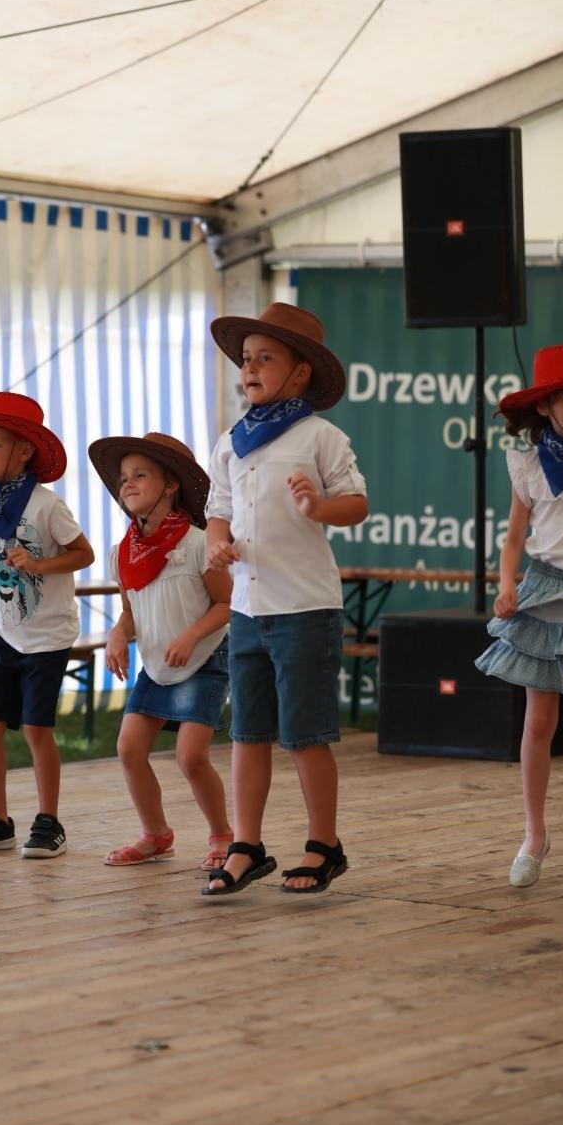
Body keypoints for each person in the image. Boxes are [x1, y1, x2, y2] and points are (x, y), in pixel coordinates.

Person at [202, 302, 368, 896]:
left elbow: (356, 503)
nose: (250, 368)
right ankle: (247, 844)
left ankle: (324, 844)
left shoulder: (322, 436)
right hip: (247, 609)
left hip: (304, 608)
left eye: (265, 358)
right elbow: (216, 511)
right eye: (246, 359)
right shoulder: (230, 441)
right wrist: (218, 545)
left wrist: (319, 508)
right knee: (247, 733)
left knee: (305, 734)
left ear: (301, 373)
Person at [0, 392, 94, 858]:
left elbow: (82, 554)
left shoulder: (47, 506)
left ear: (24, 450)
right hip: (2, 629)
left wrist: (39, 564)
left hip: (47, 636)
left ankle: (48, 821)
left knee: (35, 728)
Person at [476, 344, 563, 893]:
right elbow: (512, 538)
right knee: (539, 723)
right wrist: (507, 584)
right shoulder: (526, 465)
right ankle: (534, 834)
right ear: (546, 406)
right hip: (544, 589)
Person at [88, 432, 233, 869]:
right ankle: (156, 835)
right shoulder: (122, 554)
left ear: (171, 485)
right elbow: (130, 612)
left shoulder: (196, 544)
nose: (126, 483)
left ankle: (223, 837)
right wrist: (117, 633)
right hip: (156, 666)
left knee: (190, 756)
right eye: (123, 477)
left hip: (204, 660)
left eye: (140, 475)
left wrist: (190, 636)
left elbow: (228, 604)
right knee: (130, 749)